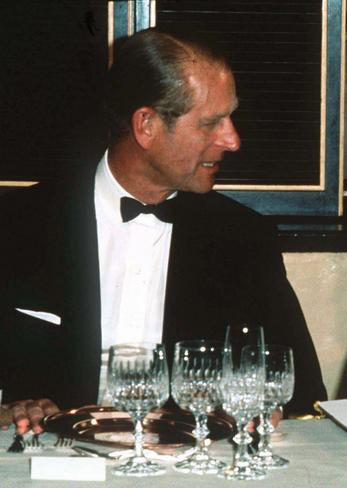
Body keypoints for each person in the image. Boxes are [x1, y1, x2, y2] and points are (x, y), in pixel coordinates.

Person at [0, 28, 326, 433]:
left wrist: (264, 413)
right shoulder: (15, 223)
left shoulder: (244, 239)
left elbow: (304, 395)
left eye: (231, 117)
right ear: (146, 125)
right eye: (211, 123)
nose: (233, 140)